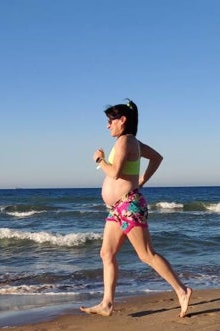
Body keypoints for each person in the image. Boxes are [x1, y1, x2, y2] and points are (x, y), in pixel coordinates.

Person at [80, 99, 192, 318]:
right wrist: (141, 179)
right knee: (107, 253)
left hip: (129, 204)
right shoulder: (132, 142)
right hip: (118, 207)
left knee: (146, 254)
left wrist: (99, 159)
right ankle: (107, 304)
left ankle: (182, 290)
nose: (107, 126)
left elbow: (114, 172)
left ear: (122, 120)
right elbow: (157, 158)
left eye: (110, 121)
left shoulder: (125, 141)